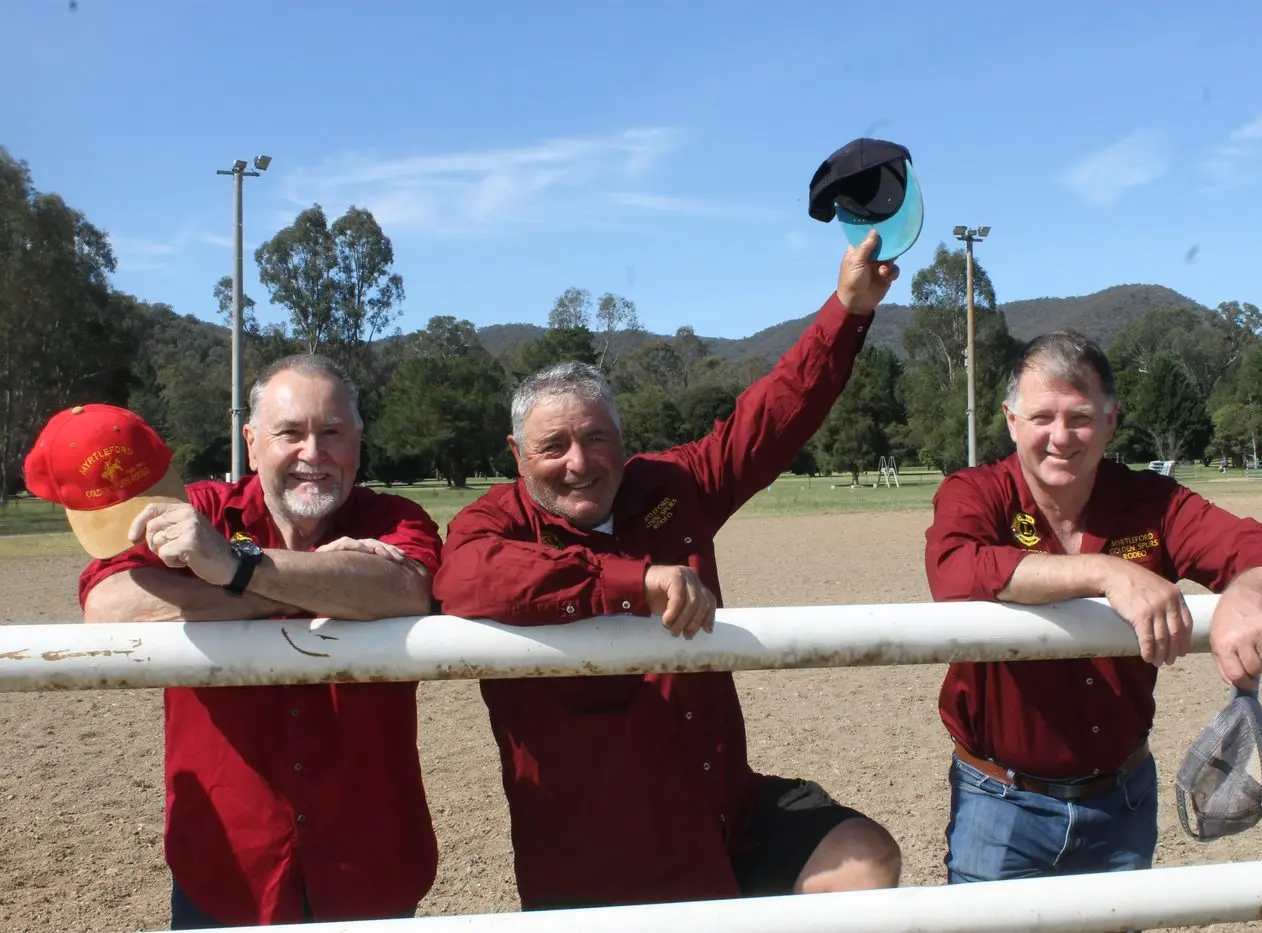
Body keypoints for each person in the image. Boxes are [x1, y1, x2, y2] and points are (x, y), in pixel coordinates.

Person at [434, 230, 903, 910]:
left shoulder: (669, 487)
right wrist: (635, 581)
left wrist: (848, 308)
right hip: (595, 849)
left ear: (622, 439)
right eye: (553, 445)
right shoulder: (492, 523)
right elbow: (467, 578)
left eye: (596, 437)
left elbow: (772, 415)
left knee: (862, 860)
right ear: (515, 452)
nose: (579, 460)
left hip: (720, 805)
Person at [924, 330, 1262, 885]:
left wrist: (1248, 594)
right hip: (1000, 799)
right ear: (1011, 420)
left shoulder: (1152, 502)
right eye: (1041, 417)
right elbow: (957, 570)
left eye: (1080, 416)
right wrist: (1107, 572)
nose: (1061, 437)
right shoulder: (977, 492)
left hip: (1122, 798)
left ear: (1111, 421)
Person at [73, 355, 441, 928]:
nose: (313, 455)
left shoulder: (394, 518)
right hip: (227, 869)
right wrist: (313, 586)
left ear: (359, 441)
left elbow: (409, 590)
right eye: (289, 432)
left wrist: (231, 567)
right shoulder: (198, 513)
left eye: (333, 433)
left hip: (369, 863)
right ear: (251, 439)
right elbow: (109, 607)